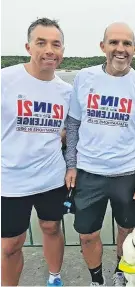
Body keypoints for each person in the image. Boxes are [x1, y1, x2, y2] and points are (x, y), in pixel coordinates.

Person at [64, 22, 135, 286]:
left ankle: (121, 272)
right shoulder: (84, 78)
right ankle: (97, 279)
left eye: (127, 44)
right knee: (86, 234)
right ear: (102, 46)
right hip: (87, 172)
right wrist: (71, 165)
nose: (120, 49)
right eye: (114, 42)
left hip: (127, 175)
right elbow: (72, 124)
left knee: (127, 230)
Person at [1, 18, 71, 286]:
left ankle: (55, 277)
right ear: (28, 47)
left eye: (55, 44)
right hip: (10, 179)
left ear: (62, 50)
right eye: (41, 43)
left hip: (51, 177)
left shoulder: (66, 91)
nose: (49, 50)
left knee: (51, 228)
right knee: (10, 245)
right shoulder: (6, 80)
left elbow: (66, 131)